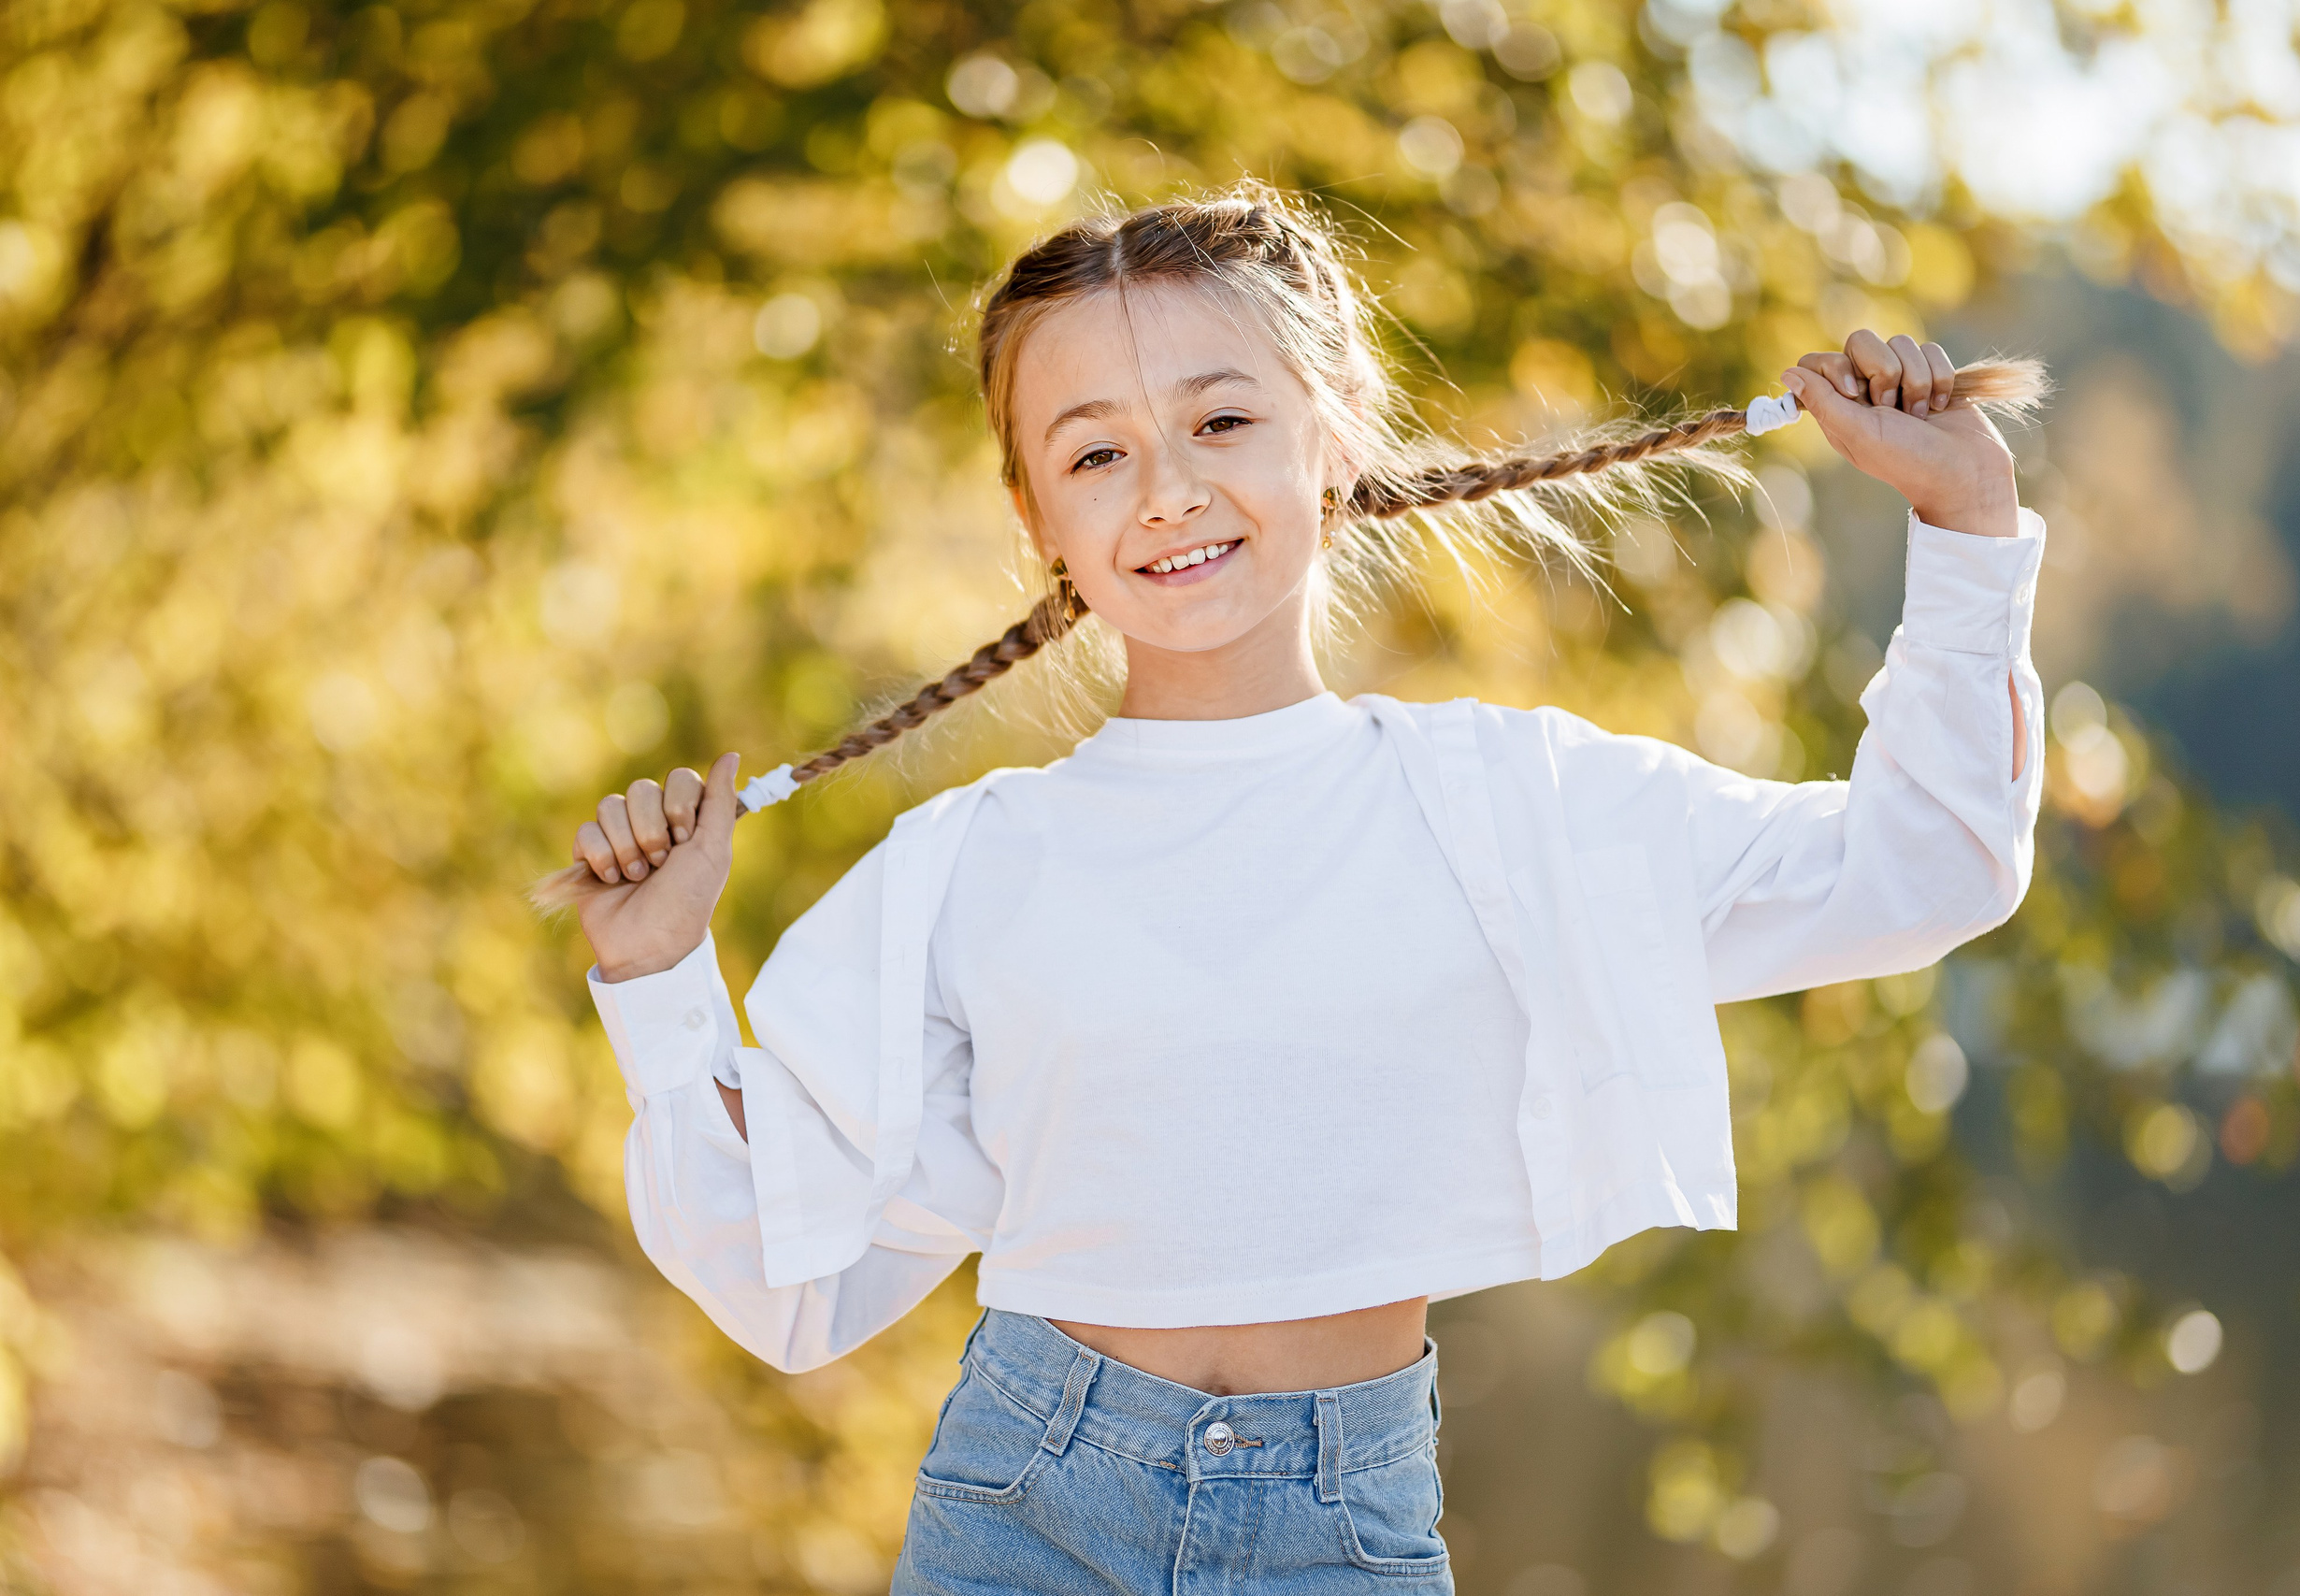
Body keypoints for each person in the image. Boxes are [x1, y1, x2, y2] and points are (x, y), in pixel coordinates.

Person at [560, 188, 2044, 1592]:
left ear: (1331, 436)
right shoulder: (971, 868)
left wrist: (1967, 532)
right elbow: (786, 1278)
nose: (1170, 490)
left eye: (1221, 418)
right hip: (1024, 1517)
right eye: (1096, 454)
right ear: (1036, 520)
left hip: (1345, 1533)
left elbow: (1922, 869)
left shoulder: (1511, 808)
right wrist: (655, 980)